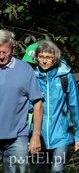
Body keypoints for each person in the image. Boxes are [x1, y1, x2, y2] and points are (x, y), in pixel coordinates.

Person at [32, 40, 79, 172]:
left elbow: (74, 107)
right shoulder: (32, 78)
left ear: (55, 58)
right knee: (40, 170)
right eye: (41, 57)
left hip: (62, 134)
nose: (44, 61)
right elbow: (24, 107)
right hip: (38, 135)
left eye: (48, 57)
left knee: (57, 170)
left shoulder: (65, 77)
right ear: (36, 57)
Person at [0, 29, 43, 172]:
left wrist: (36, 135)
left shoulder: (25, 69)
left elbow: (38, 103)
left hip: (17, 137)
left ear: (13, 48)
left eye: (5, 52)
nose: (1, 56)